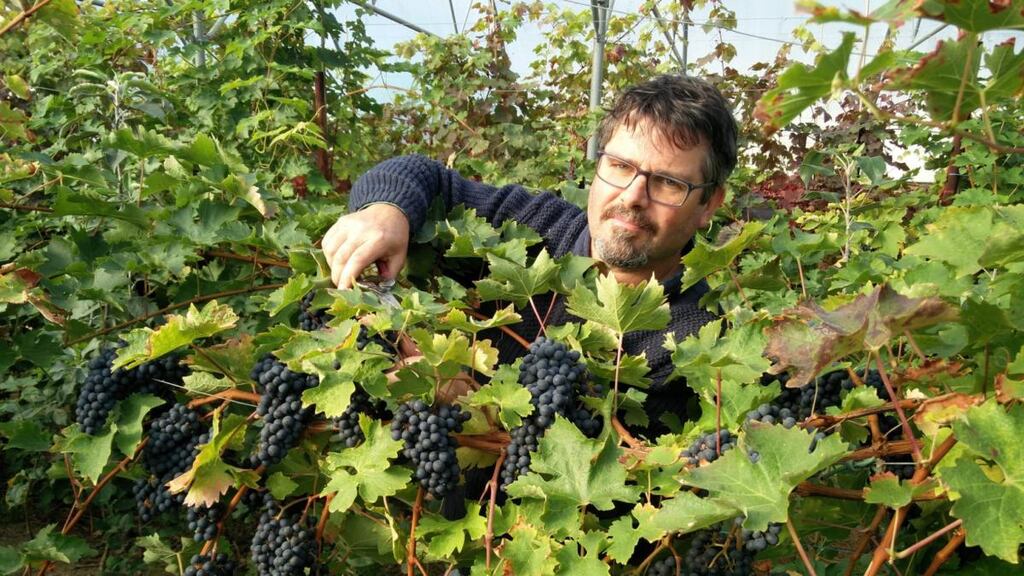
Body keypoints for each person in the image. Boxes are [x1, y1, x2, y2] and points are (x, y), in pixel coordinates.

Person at [322, 74, 738, 435]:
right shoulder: (536, 225)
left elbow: (608, 479)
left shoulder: (696, 343)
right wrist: (384, 212)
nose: (632, 197)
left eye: (667, 183)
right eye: (620, 166)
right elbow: (425, 175)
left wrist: (481, 412)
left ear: (709, 205)